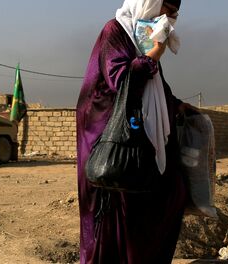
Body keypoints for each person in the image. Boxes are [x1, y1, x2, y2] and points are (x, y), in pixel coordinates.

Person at [75, 0, 194, 262]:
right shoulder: (115, 31)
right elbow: (121, 80)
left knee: (170, 194)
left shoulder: (143, 38)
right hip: (111, 137)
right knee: (117, 208)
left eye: (176, 12)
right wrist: (153, 55)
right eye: (168, 9)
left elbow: (155, 87)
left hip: (140, 135)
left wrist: (175, 105)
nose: (172, 16)